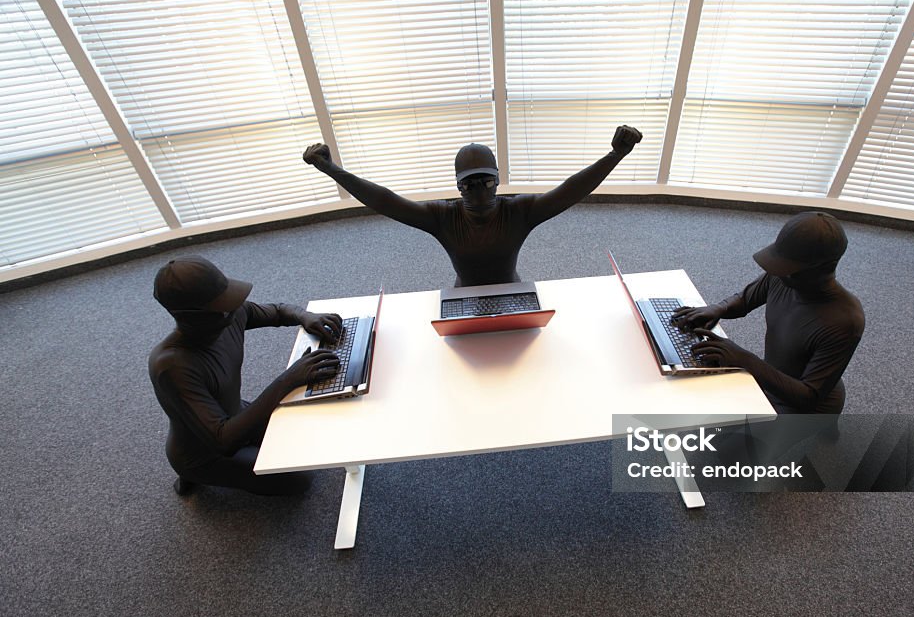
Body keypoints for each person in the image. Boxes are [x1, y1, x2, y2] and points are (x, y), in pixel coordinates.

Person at [303, 126, 643, 287]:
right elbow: (385, 200)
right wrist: (331, 169)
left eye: (486, 182)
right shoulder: (441, 217)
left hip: (513, 288)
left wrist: (616, 155)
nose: (479, 191)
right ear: (457, 186)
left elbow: (569, 190)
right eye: (469, 184)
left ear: (498, 180)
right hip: (462, 295)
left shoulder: (519, 211)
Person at [149, 255, 343, 496]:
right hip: (206, 453)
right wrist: (289, 378)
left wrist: (305, 316)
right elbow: (223, 441)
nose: (233, 308)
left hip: (234, 414)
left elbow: (278, 311)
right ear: (193, 315)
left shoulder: (227, 315)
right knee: (301, 479)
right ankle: (193, 477)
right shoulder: (171, 366)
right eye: (221, 306)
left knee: (309, 439)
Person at [672, 212, 865, 415]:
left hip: (805, 405)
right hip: (771, 378)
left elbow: (809, 397)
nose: (779, 272)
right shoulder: (784, 277)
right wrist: (718, 308)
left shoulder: (846, 321)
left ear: (822, 268)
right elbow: (746, 299)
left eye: (788, 268)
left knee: (730, 443)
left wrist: (744, 359)